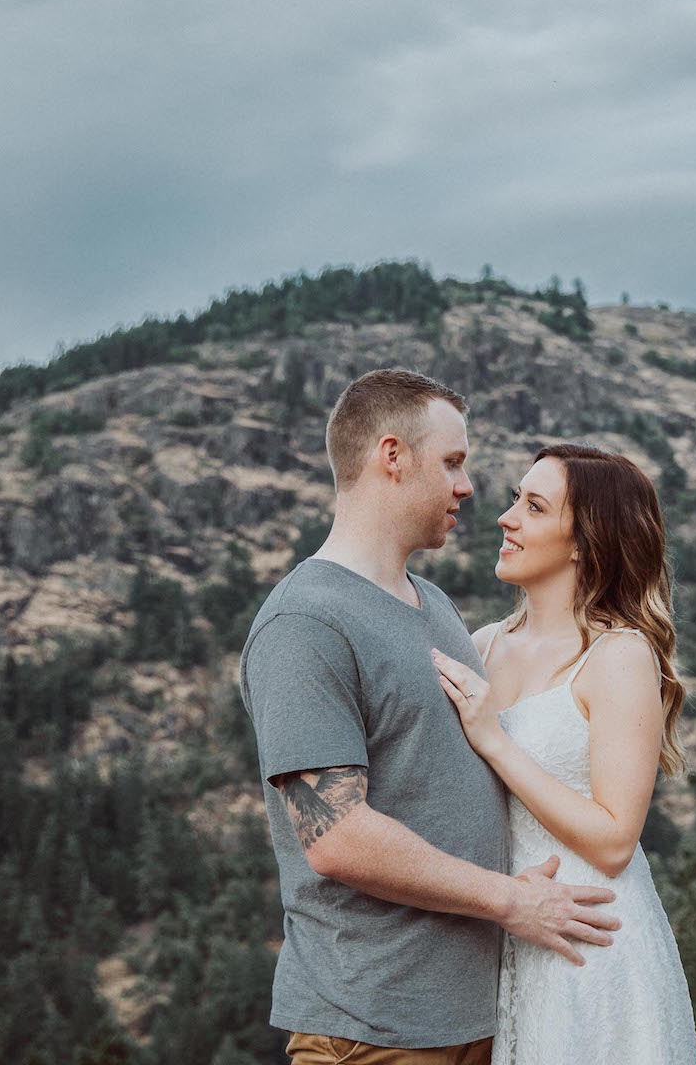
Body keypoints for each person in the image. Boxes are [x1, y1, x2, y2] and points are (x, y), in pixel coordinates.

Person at [239, 369, 621, 1065]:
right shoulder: (306, 621)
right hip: (372, 1030)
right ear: (392, 456)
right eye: (452, 462)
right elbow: (336, 836)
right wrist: (511, 902)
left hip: (481, 1021)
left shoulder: (436, 607)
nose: (467, 486)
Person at [431, 443, 696, 1064]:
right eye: (513, 500)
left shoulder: (620, 657)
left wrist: (494, 741)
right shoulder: (481, 646)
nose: (505, 516)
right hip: (510, 941)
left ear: (583, 540)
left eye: (534, 505)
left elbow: (613, 841)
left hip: (593, 945)